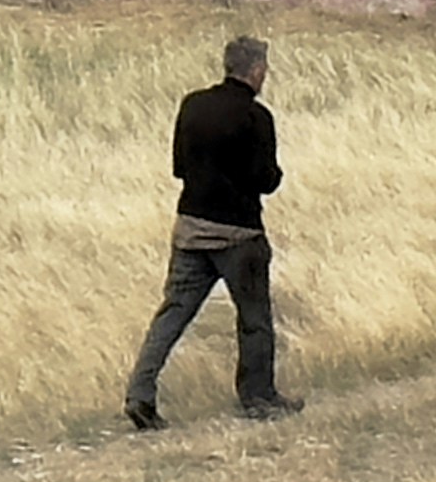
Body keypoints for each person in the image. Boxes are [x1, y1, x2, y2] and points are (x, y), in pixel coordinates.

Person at [123, 32, 303, 429]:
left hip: (190, 228)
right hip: (239, 235)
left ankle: (140, 393)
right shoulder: (257, 117)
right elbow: (266, 180)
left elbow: (179, 168)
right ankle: (258, 397)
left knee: (172, 315)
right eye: (265, 69)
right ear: (256, 71)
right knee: (254, 318)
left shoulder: (193, 105)